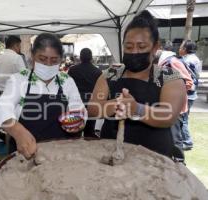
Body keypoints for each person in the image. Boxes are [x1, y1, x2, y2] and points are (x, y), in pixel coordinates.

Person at [87, 10, 186, 157]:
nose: (134, 52)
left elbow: (168, 116)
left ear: (155, 47)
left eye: (141, 47)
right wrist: (116, 104)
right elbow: (93, 110)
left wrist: (137, 109)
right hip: (111, 151)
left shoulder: (169, 77)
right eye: (128, 47)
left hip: (154, 155)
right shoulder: (110, 74)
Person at [0, 33, 86, 158]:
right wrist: (17, 131)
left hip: (60, 154)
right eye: (42, 59)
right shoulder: (19, 79)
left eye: (54, 60)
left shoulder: (67, 81)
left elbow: (79, 109)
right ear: (32, 56)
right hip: (26, 153)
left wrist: (77, 122)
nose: (48, 65)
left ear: (60, 60)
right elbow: (1, 108)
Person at [156, 41, 193, 151]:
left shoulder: (173, 61)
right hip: (164, 106)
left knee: (175, 137)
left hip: (176, 107)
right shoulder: (159, 62)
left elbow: (188, 82)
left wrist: (173, 91)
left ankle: (179, 161)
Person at [68, 48, 102, 137]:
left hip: (76, 101)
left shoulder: (73, 70)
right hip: (92, 101)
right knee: (90, 130)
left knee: (75, 128)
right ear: (91, 58)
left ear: (80, 57)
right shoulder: (97, 71)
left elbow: (68, 86)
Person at [179, 40, 202, 150]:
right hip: (193, 93)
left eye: (181, 46)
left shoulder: (185, 61)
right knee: (184, 117)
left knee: (183, 118)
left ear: (185, 49)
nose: (180, 48)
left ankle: (187, 142)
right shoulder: (197, 59)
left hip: (186, 93)